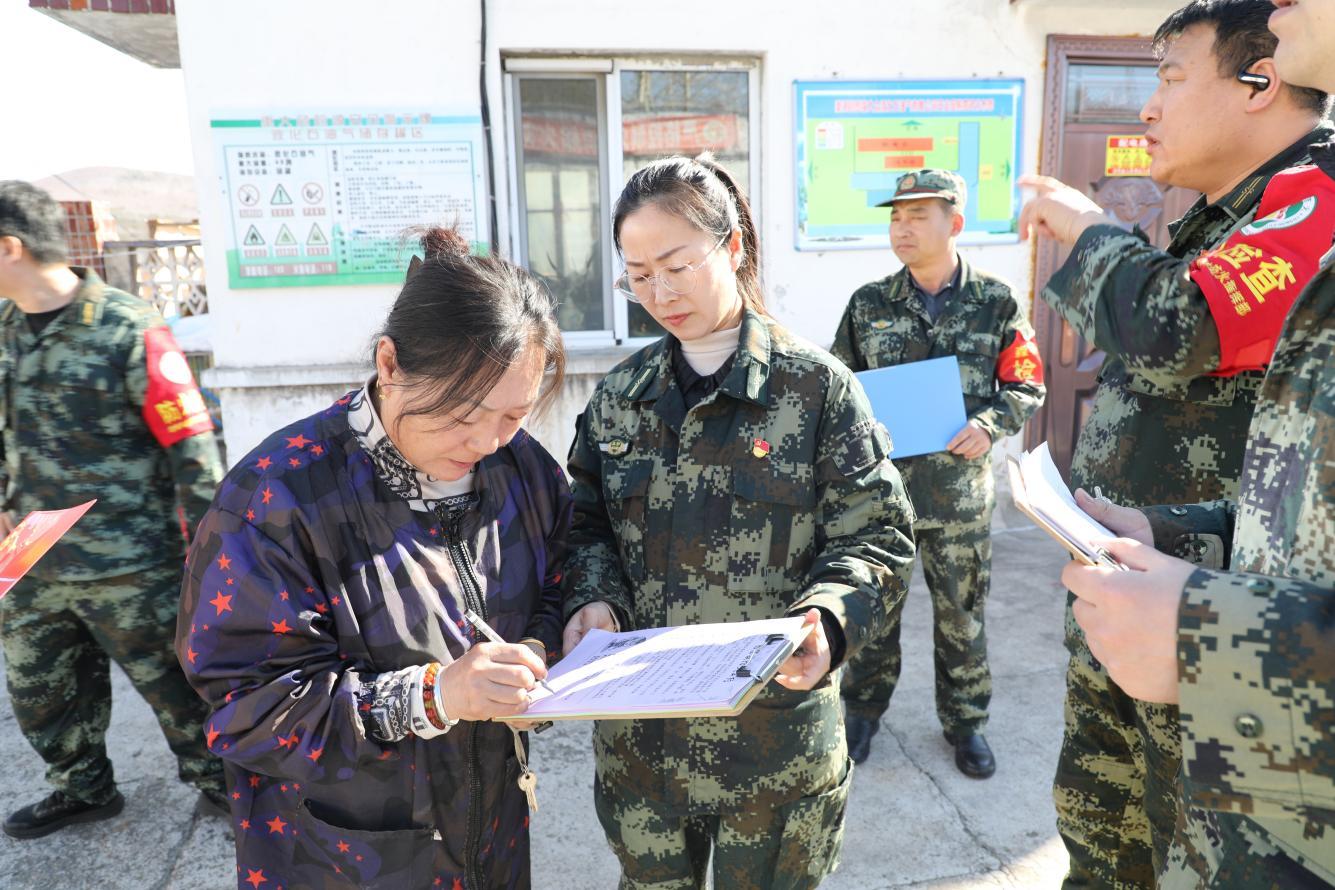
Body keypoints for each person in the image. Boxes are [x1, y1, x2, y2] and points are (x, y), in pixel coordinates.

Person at [1016, 1, 1332, 883]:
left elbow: (1175, 328)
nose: (1146, 108)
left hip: (1239, 643)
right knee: (1106, 843)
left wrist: (1087, 231)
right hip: (1160, 583)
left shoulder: (1313, 196)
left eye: (1168, 78)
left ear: (1258, 83)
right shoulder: (1224, 215)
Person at [560, 154, 917, 890]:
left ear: (732, 247)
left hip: (772, 742)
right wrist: (592, 598)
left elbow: (875, 536)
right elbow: (585, 524)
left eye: (676, 265)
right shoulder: (619, 399)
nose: (659, 292)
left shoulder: (816, 389)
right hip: (643, 745)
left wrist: (829, 618)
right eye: (638, 275)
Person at [176, 226, 570, 889]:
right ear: (390, 365)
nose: (486, 441)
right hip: (341, 855)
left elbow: (558, 577)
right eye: (461, 413)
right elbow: (246, 706)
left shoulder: (521, 470)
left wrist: (559, 635)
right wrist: (435, 695)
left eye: (514, 415)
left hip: (491, 835)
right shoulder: (276, 498)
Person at [0, 181, 227, 838]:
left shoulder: (129, 326)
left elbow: (193, 450)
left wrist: (212, 561)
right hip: (27, 554)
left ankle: (224, 783)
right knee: (40, 689)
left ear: (10, 247)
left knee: (177, 688)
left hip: (129, 557)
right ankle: (82, 787)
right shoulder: (4, 330)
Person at [832, 169, 1046, 775]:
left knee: (962, 617)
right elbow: (840, 387)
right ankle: (862, 713)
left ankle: (967, 724)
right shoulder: (868, 304)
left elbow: (1026, 382)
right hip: (884, 499)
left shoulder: (997, 302)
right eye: (895, 217)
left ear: (954, 223)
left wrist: (989, 423)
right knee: (875, 613)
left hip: (959, 498)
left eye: (917, 216)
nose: (902, 228)